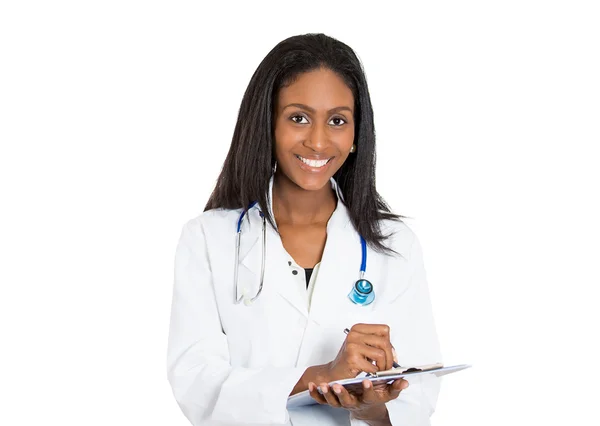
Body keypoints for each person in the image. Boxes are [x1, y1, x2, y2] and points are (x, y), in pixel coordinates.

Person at [167, 33, 442, 426]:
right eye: (298, 117)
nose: (317, 141)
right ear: (267, 124)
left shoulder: (396, 247)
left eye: (337, 120)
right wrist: (320, 377)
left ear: (356, 135)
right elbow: (196, 385)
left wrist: (371, 407)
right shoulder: (209, 239)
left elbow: (419, 399)